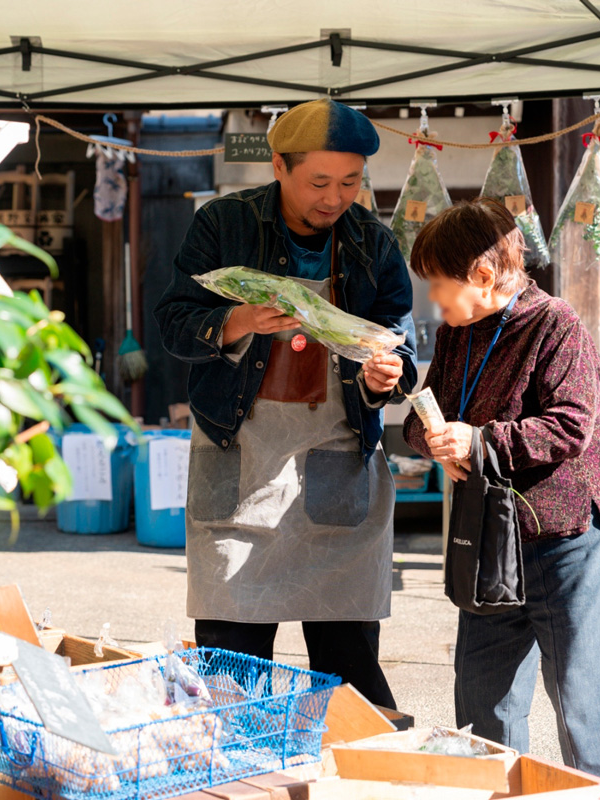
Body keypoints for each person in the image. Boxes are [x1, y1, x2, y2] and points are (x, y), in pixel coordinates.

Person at [154, 99, 416, 709]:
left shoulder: (373, 244)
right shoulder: (224, 224)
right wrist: (238, 320)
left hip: (336, 458)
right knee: (231, 668)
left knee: (348, 669)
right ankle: (238, 758)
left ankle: (349, 761)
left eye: (350, 182)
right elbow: (172, 321)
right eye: (319, 182)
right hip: (240, 457)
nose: (335, 198)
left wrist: (384, 377)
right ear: (279, 166)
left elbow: (399, 344)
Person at [403, 200, 600, 798]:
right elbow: (422, 419)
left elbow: (572, 427)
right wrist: (432, 436)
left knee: (584, 707)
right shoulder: (457, 333)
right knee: (485, 705)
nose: (434, 301)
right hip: (489, 538)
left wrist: (479, 442)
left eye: (439, 285)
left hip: (569, 536)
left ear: (482, 274)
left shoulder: (558, 324)